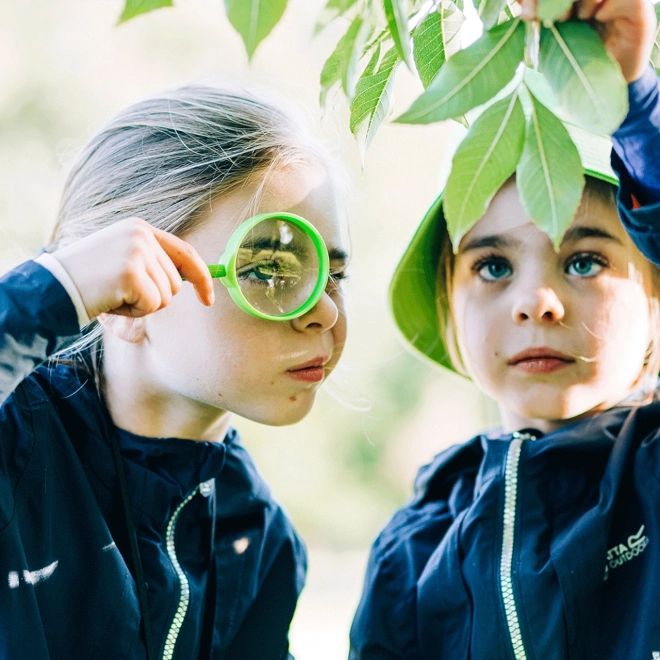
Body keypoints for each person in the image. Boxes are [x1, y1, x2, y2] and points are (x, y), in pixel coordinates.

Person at [349, 0, 660, 658]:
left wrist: (636, 107)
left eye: (585, 260)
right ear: (448, 298)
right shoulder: (415, 547)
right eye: (492, 266)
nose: (536, 302)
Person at [0, 84, 349, 660]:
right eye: (270, 269)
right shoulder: (14, 443)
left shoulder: (259, 537)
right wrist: (58, 289)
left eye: (334, 275)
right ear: (124, 297)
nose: (327, 311)